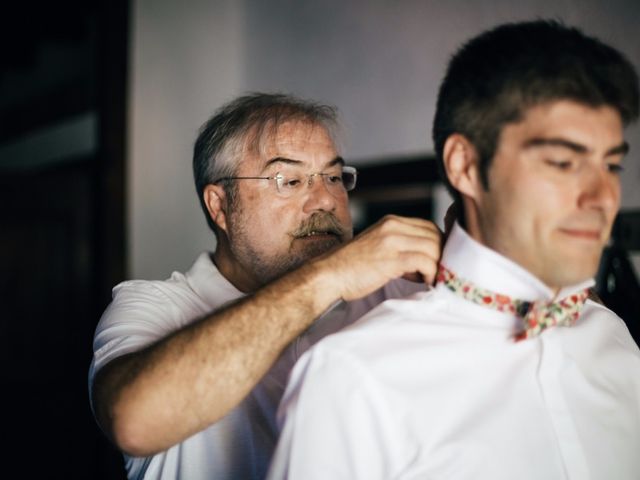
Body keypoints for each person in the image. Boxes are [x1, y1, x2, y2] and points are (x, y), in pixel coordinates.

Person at [268, 20, 640, 480]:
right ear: (464, 165)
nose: (602, 197)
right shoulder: (355, 377)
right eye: (564, 162)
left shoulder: (616, 339)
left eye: (612, 165)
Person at [88, 93, 443, 479]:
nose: (325, 200)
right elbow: (133, 422)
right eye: (288, 180)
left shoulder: (394, 296)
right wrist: (330, 276)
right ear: (220, 206)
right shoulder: (156, 307)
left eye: (334, 177)